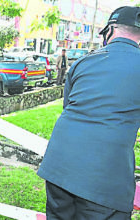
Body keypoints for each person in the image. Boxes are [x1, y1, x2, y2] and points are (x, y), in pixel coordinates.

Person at [37, 6, 140, 219]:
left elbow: (69, 107)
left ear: (110, 30)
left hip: (59, 167)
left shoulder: (83, 62)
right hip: (105, 178)